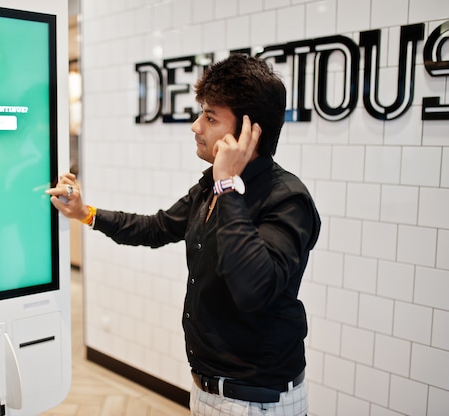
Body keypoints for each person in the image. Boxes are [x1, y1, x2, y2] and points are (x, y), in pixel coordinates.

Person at [46, 53, 321, 416]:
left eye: (209, 118)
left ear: (247, 131)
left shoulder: (286, 200)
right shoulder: (210, 188)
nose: (196, 127)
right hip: (207, 391)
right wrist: (86, 213)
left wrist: (227, 186)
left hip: (257, 401)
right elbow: (157, 227)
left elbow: (254, 288)